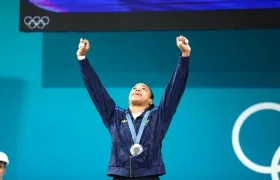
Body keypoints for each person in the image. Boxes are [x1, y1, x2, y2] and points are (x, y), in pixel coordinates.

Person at [77, 35, 191, 180]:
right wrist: (82, 59)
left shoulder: (159, 116)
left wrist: (185, 56)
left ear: (150, 101)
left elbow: (175, 89)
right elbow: (96, 89)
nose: (137, 90)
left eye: (143, 88)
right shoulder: (114, 116)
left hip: (149, 175)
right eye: (134, 88)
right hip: (120, 175)